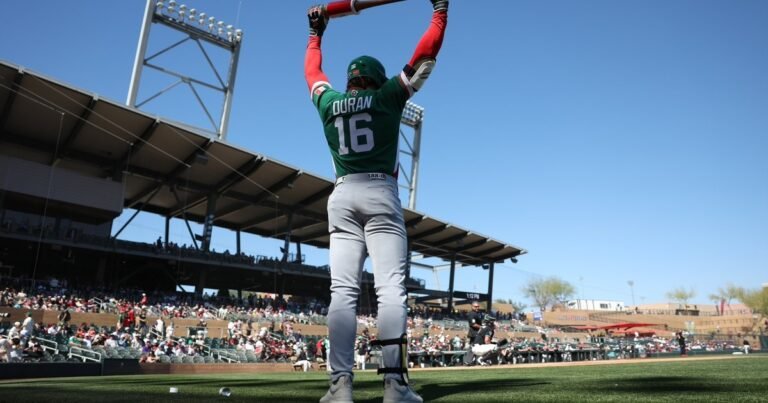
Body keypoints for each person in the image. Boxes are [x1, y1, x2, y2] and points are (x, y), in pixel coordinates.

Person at [304, 1, 448, 401]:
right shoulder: (387, 97)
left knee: (342, 292)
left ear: (351, 81)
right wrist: (439, 11)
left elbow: (312, 72)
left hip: (342, 193)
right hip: (380, 193)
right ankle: (394, 385)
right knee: (391, 290)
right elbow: (426, 53)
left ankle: (340, 388)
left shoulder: (329, 102)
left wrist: (315, 35)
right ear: (375, 78)